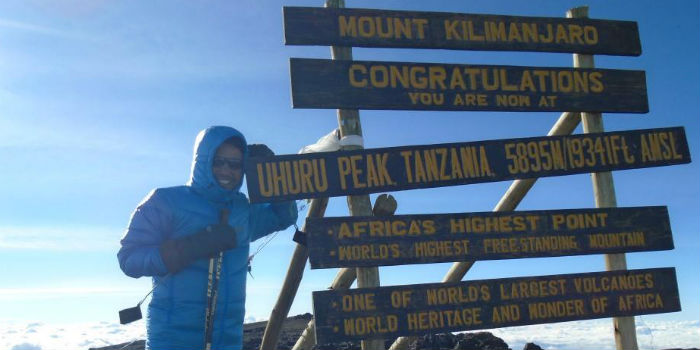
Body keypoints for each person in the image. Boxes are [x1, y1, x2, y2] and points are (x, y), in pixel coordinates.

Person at [117, 126, 298, 350]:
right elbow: (129, 259)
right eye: (218, 161)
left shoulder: (242, 210)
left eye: (235, 165)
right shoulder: (165, 201)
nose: (226, 170)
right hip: (172, 342)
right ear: (202, 160)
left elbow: (284, 217)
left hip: (228, 342)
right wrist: (191, 247)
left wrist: (273, 174)